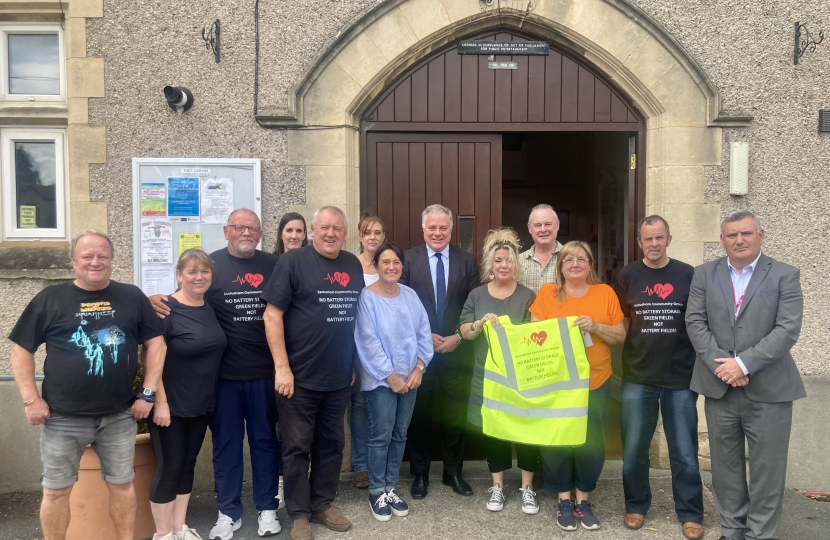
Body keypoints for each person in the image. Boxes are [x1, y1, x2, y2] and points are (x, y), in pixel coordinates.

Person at [9, 230, 166, 540]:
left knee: (122, 486)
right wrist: (31, 399)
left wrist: (147, 394)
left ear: (111, 260)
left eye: (102, 256)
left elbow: (156, 344)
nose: (96, 262)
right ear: (74, 261)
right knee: (56, 491)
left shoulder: (132, 296)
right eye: (88, 256)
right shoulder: (50, 299)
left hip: (119, 417)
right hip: (63, 418)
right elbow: (21, 351)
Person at [150, 208, 281, 539]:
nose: (246, 232)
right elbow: (181, 302)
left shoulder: (273, 265)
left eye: (252, 228)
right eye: (239, 227)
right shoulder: (209, 266)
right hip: (222, 379)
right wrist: (150, 300)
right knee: (226, 446)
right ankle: (229, 512)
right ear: (226, 231)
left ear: (261, 232)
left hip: (265, 374)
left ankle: (267, 508)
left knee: (265, 443)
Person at [686, 210, 804, 540]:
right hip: (719, 387)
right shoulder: (704, 274)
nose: (739, 240)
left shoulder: (785, 275)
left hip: (770, 391)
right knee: (725, 468)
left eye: (747, 234)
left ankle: (759, 534)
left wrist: (744, 364)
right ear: (722, 240)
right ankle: (732, 529)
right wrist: (725, 368)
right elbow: (695, 323)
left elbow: (787, 329)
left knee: (767, 470)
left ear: (761, 236)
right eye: (732, 235)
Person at [261, 206, 364, 540]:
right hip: (299, 378)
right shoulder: (292, 262)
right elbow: (272, 316)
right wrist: (282, 368)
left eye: (337, 228)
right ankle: (299, 514)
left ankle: (322, 504)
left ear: (345, 233)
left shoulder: (352, 265)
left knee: (332, 445)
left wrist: (352, 364)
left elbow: (356, 319)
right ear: (313, 230)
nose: (331, 233)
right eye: (324, 227)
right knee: (296, 447)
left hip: (338, 377)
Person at [613, 216, 704, 539]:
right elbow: (620, 322)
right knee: (635, 448)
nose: (654, 244)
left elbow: (699, 322)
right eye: (648, 239)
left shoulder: (688, 274)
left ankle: (691, 513)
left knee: (684, 451)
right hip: (638, 376)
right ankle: (636, 506)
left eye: (659, 238)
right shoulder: (628, 275)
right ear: (639, 242)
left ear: (669, 238)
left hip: (680, 377)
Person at [529, 241, 625, 531]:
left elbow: (620, 334)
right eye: (568, 259)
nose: (575, 264)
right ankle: (563, 500)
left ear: (590, 265)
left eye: (582, 259)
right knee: (558, 440)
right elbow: (535, 335)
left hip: (595, 381)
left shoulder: (605, 293)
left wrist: (595, 327)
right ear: (560, 266)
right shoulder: (548, 294)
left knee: (590, 441)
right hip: (558, 385)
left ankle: (583, 499)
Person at [400, 204, 480, 499]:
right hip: (420, 355)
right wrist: (422, 336)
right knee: (420, 416)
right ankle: (420, 474)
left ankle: (453, 473)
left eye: (443, 227)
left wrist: (458, 336)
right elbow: (401, 305)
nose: (437, 232)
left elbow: (474, 305)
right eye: (431, 227)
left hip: (457, 352)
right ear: (423, 230)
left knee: (453, 417)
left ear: (451, 229)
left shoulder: (467, 261)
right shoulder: (408, 260)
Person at [459, 229, 539, 514]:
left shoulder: (528, 296)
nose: (503, 265)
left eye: (508, 260)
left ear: (516, 263)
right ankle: (498, 486)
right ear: (489, 265)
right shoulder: (477, 295)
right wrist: (479, 324)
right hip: (489, 377)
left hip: (522, 379)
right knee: (495, 431)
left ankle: (527, 488)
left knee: (526, 430)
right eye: (498, 260)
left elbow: (537, 334)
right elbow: (464, 332)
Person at [149, 249, 227, 540]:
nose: (199, 276)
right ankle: (162, 534)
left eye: (204, 271)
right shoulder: (166, 309)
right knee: (169, 468)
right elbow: (152, 358)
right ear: (179, 275)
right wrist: (160, 402)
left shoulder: (210, 307)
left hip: (202, 404)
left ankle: (179, 528)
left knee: (187, 465)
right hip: (171, 406)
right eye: (191, 271)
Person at [354, 242, 433, 522]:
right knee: (381, 436)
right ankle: (376, 490)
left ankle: (390, 487)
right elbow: (368, 340)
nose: (391, 267)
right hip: (380, 381)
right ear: (376, 267)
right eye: (385, 262)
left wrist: (420, 367)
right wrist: (391, 376)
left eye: (396, 262)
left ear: (402, 266)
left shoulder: (410, 295)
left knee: (400, 434)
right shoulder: (367, 298)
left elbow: (424, 331)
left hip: (410, 378)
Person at [273, 211, 309, 508]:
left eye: (299, 230)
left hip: (304, 361)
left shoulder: (310, 265)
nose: (295, 235)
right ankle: (282, 483)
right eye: (289, 230)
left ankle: (296, 484)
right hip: (272, 359)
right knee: (276, 428)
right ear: (280, 234)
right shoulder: (271, 264)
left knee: (295, 432)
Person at [350, 210, 387, 490]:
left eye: (377, 233)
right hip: (354, 343)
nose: (372, 237)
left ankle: (380, 462)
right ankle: (361, 464)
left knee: (381, 401)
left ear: (383, 236)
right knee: (360, 404)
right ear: (360, 236)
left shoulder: (389, 264)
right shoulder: (350, 265)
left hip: (385, 346)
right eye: (367, 233)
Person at [520, 204, 564, 295]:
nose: (543, 230)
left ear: (557, 225)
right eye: (538, 225)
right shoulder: (517, 261)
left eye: (548, 224)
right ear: (530, 229)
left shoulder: (570, 258)